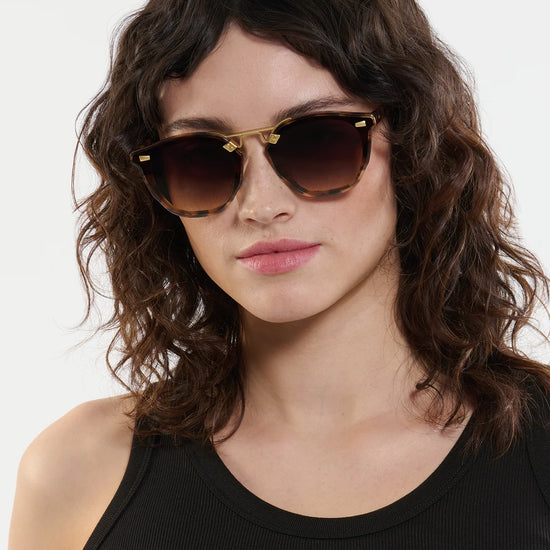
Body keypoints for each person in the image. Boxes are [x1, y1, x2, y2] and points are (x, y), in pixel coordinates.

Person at [8, 0, 550, 548]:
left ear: (414, 146)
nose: (260, 206)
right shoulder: (78, 474)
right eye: (201, 159)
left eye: (317, 142)